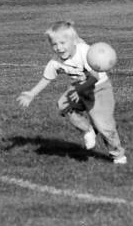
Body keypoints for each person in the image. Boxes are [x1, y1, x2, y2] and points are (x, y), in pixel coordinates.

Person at [16, 21, 127, 165]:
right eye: (54, 44)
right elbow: (46, 78)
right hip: (78, 88)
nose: (59, 48)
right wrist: (32, 93)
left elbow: (95, 77)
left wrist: (79, 89)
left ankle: (118, 155)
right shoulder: (55, 62)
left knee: (104, 126)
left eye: (63, 43)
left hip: (99, 89)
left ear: (74, 41)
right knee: (63, 104)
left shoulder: (85, 52)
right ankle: (87, 130)